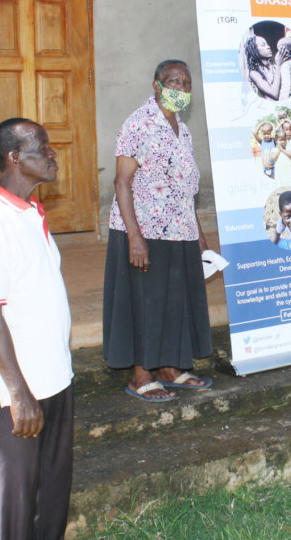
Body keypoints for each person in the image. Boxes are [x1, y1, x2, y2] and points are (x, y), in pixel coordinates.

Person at [0, 118, 74, 539]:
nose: (52, 154)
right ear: (13, 159)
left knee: (50, 503)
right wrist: (18, 393)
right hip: (16, 395)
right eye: (42, 147)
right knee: (14, 510)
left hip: (54, 380)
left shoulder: (31, 214)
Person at [103, 60, 213, 403]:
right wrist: (135, 237)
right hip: (144, 231)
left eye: (185, 82)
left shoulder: (182, 127)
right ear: (157, 85)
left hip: (178, 230)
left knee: (174, 301)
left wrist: (197, 231)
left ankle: (169, 367)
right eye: (173, 82)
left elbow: (185, 185)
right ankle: (140, 375)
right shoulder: (140, 123)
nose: (180, 88)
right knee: (145, 303)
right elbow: (122, 182)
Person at [241, 28, 291, 101]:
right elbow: (274, 94)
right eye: (263, 45)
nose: (268, 47)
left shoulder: (274, 66)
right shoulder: (254, 73)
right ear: (255, 50)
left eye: (267, 44)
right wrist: (278, 64)